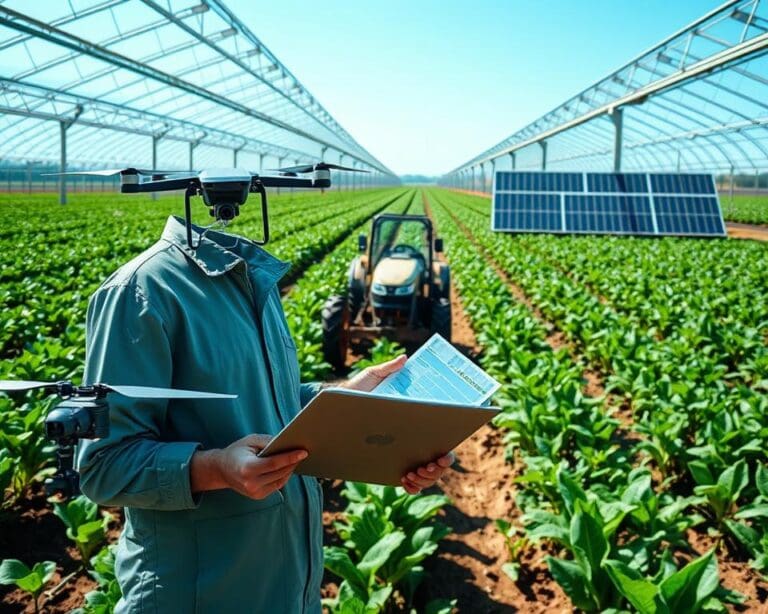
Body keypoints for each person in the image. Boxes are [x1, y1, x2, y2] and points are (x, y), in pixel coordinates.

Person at [76, 215, 453, 613]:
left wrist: (349, 399)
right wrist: (217, 468)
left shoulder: (255, 281)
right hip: (200, 596)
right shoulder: (141, 291)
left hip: (289, 586)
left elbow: (273, 401)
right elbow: (103, 466)